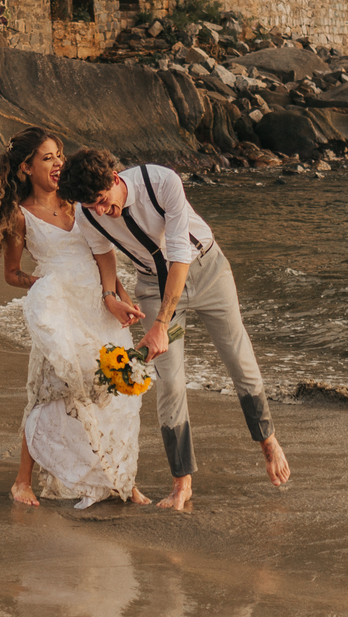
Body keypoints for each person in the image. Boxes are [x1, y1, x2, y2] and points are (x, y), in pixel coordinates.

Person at [56, 149, 291, 510]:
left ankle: (268, 441)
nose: (101, 211)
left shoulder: (161, 181)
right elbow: (103, 252)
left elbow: (179, 253)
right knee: (169, 382)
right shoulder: (90, 214)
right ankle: (182, 483)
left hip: (205, 268)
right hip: (151, 285)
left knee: (238, 360)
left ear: (116, 179)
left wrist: (161, 325)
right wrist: (109, 295)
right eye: (92, 206)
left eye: (103, 201)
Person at [0, 128, 151, 509]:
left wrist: (121, 297)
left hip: (100, 307)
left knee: (116, 389)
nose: (57, 163)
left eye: (59, 155)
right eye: (47, 157)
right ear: (26, 168)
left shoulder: (79, 203)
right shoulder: (21, 217)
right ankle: (22, 481)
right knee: (51, 392)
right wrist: (45, 285)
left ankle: (122, 479)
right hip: (59, 312)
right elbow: (12, 273)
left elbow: (104, 256)